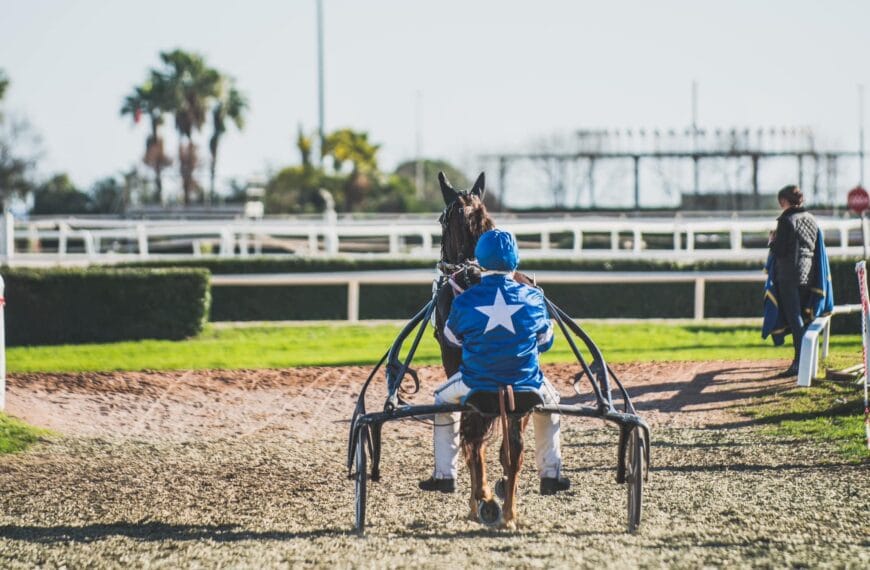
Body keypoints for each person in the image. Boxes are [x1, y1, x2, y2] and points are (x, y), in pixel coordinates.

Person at [418, 229, 570, 495]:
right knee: (552, 401)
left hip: (475, 386)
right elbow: (546, 342)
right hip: (527, 387)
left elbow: (451, 339)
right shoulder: (533, 297)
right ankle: (550, 474)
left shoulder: (464, 300)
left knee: (442, 400)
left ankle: (445, 474)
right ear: (515, 260)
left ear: (479, 260)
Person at [765, 184, 829, 376]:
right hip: (808, 275)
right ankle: (803, 360)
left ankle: (800, 363)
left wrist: (771, 241)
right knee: (803, 317)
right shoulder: (811, 218)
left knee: (794, 319)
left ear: (784, 201)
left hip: (788, 275)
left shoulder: (786, 220)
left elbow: (780, 250)